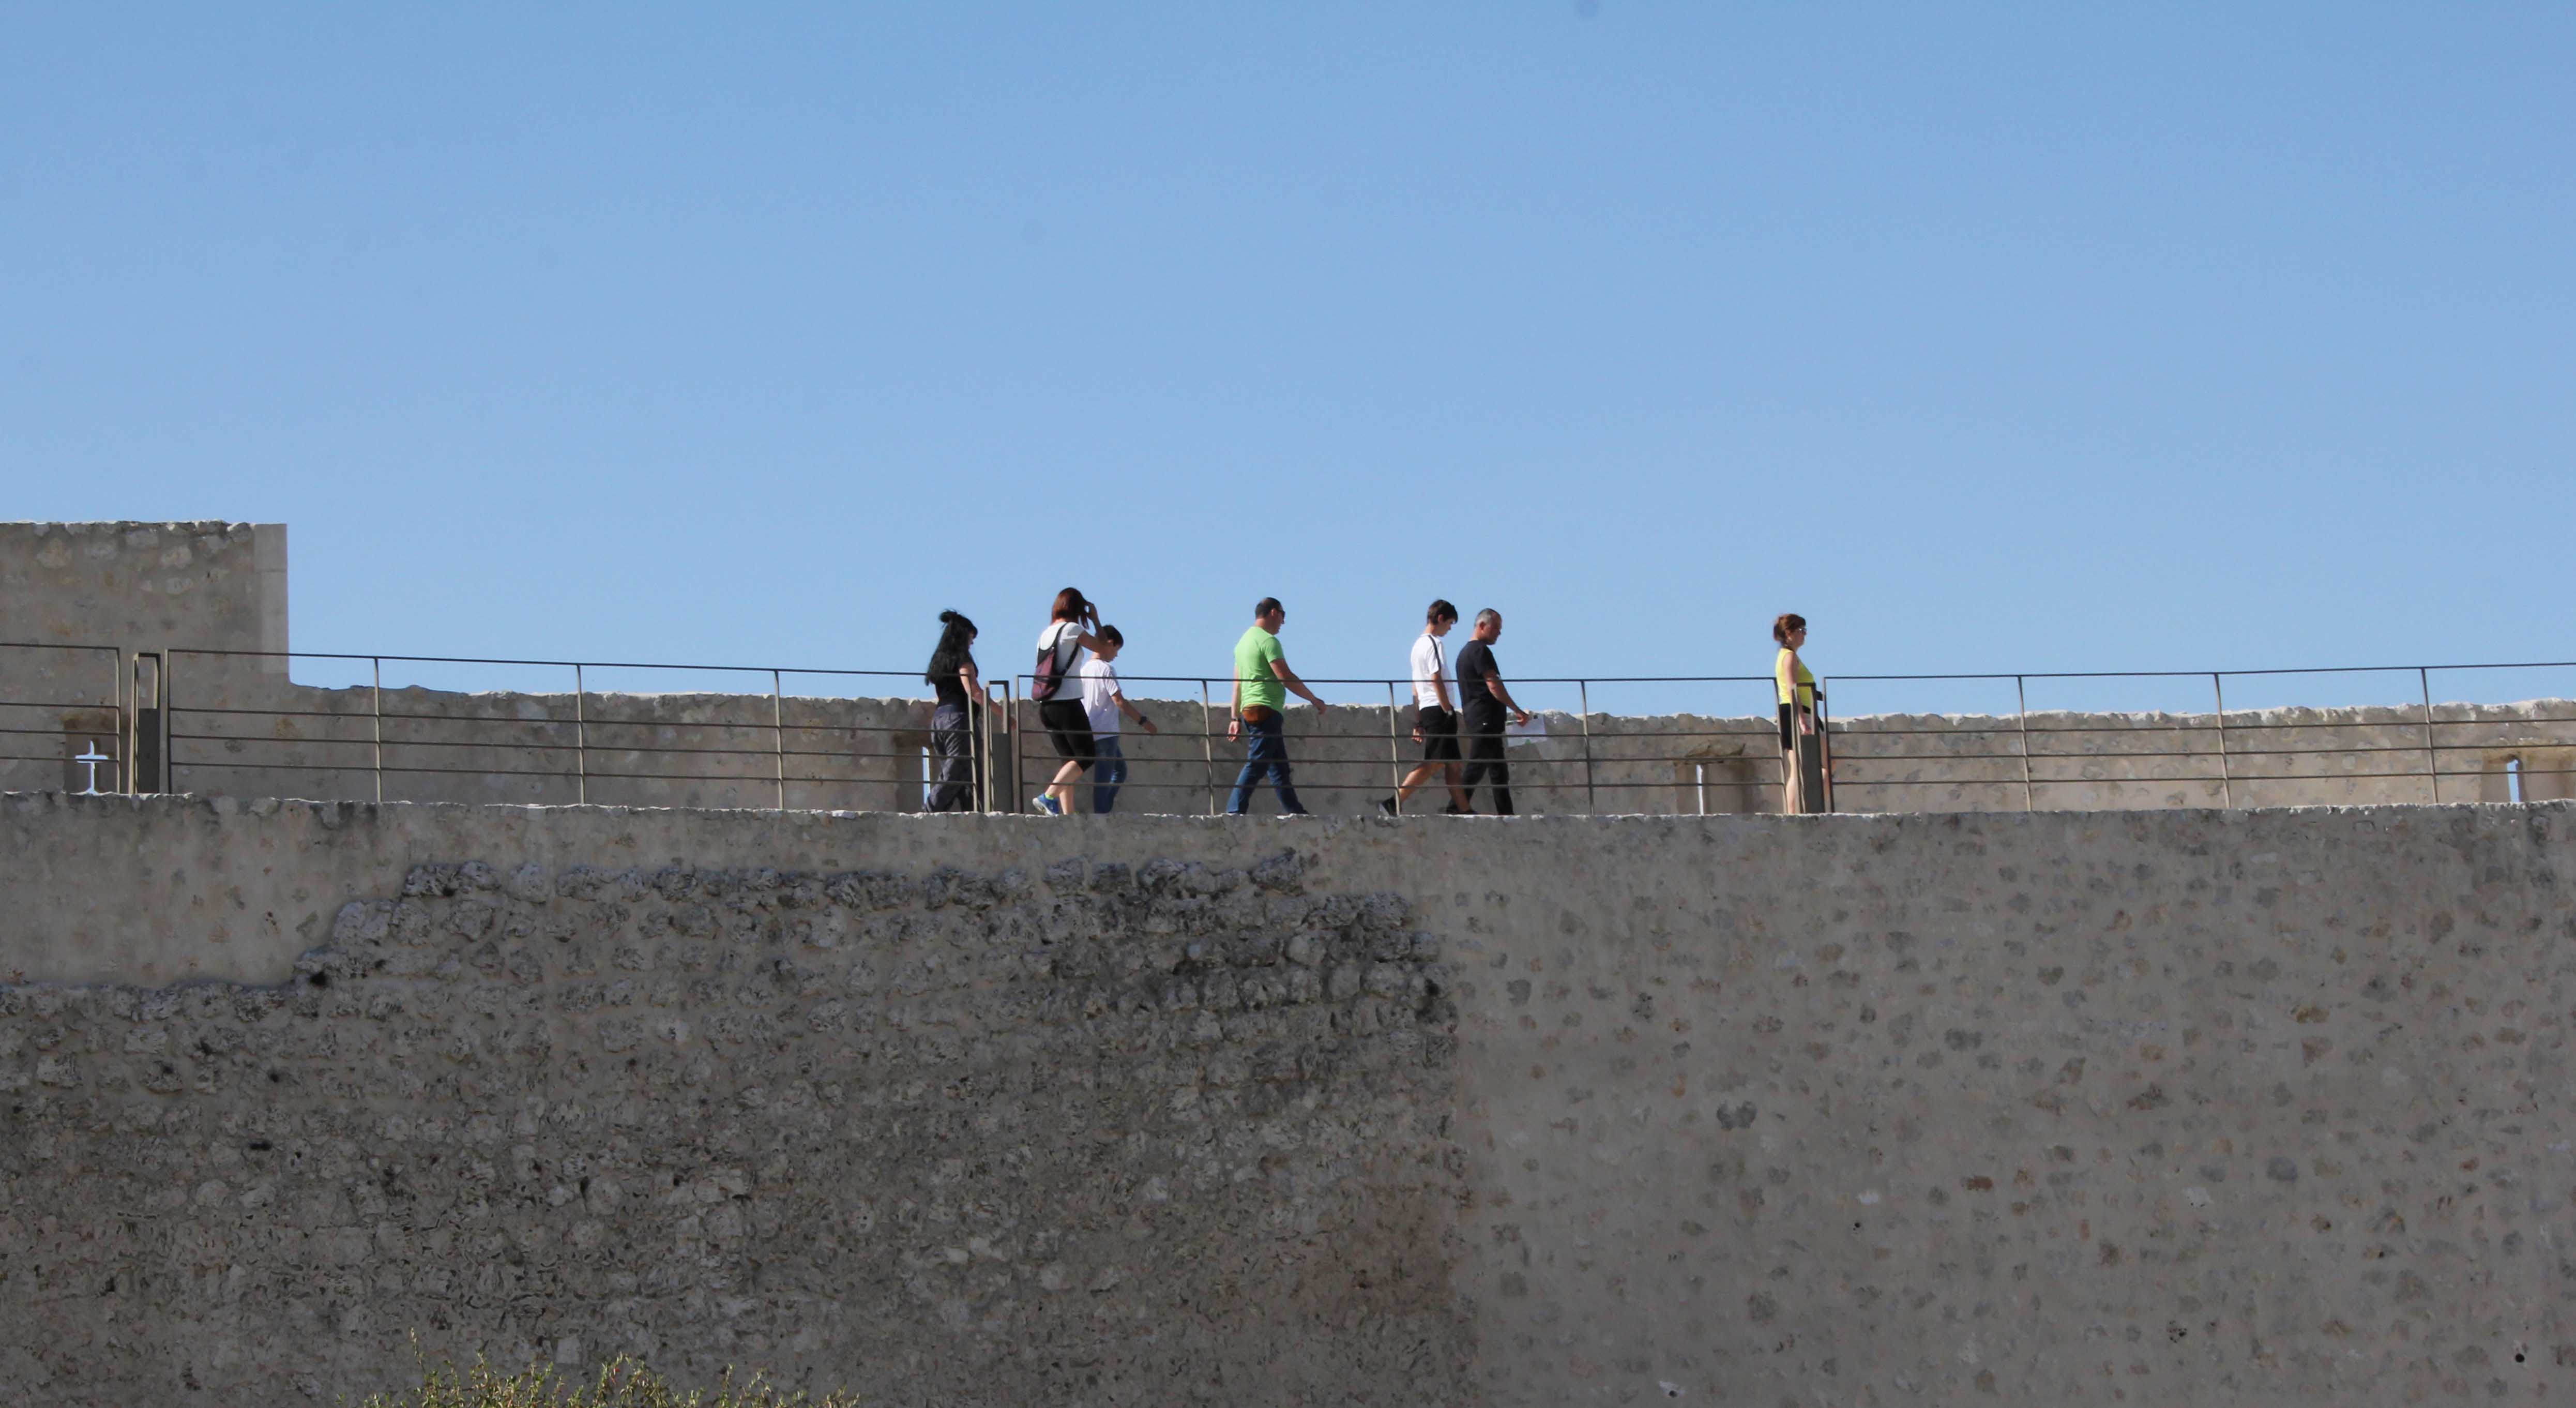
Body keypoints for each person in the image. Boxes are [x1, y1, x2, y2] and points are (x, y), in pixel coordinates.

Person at [1227, 597, 1330, 816]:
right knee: (1257, 763)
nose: (1284, 622)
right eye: (1283, 616)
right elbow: (1285, 677)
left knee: (1279, 769)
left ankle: (1296, 812)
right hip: (1266, 710)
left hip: (1250, 710)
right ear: (1274, 612)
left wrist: (1235, 718)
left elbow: (1237, 685)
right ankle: (1234, 810)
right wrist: (1313, 699)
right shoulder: (1268, 641)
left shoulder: (1242, 643)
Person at [1382, 599, 1470, 815]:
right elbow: (1435, 678)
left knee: (1453, 764)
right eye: (1449, 624)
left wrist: (1419, 720)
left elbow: (1415, 687)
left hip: (1429, 710)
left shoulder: (1416, 647)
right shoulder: (1434, 643)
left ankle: (1464, 810)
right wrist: (1448, 709)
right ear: (1440, 619)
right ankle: (1393, 802)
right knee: (1435, 762)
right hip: (1439, 709)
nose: (1449, 629)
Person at [1031, 588, 1110, 816]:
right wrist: (1095, 619)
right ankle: (1048, 797)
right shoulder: (1072, 629)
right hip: (1067, 703)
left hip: (1047, 706)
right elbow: (1103, 649)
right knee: (1086, 756)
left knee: (1069, 762)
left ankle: (1068, 814)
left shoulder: (1046, 633)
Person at [1454, 608, 1532, 815]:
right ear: (1482, 626)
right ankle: (1456, 807)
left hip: (1482, 719)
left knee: (1498, 770)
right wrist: (1516, 710)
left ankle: (1506, 814)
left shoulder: (1465, 653)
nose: (1499, 632)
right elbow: (1493, 684)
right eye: (1496, 627)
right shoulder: (1480, 651)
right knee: (1477, 766)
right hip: (1484, 719)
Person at [1079, 625, 1158, 814]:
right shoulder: (1106, 669)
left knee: (1119, 771)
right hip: (1106, 731)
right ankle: (1102, 816)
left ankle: (1104, 812)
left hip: (1090, 729)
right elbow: (1119, 701)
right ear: (1110, 644)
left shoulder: (1083, 670)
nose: (1116, 655)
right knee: (1103, 779)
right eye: (1117, 650)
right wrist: (1144, 722)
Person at [923, 610, 989, 812]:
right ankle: (931, 810)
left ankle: (974, 814)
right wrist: (1003, 714)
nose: (972, 642)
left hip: (940, 720)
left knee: (966, 775)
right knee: (958, 767)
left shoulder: (939, 661)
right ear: (963, 636)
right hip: (958, 720)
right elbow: (974, 691)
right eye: (971, 637)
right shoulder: (962, 659)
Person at [1774, 612, 1828, 813]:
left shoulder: (1786, 656)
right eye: (1801, 630)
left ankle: (1798, 811)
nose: (1804, 634)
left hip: (1797, 711)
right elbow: (1792, 689)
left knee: (1800, 768)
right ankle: (1802, 811)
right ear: (1789, 633)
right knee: (1821, 765)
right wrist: (1802, 721)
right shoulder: (1789, 657)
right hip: (1798, 713)